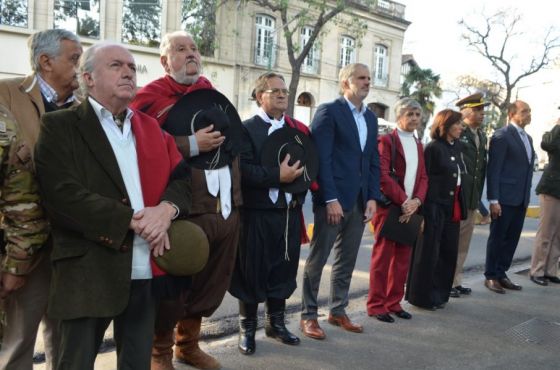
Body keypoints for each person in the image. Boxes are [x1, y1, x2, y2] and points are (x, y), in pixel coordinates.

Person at [34, 43, 191, 370]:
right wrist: (132, 221)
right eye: (116, 65)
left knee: (136, 364)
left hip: (146, 269)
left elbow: (183, 179)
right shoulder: (60, 126)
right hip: (88, 270)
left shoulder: (150, 128)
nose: (128, 73)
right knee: (74, 363)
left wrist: (166, 210)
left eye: (132, 68)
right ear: (88, 78)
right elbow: (62, 197)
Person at [130, 31, 241, 370]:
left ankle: (187, 345)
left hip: (223, 202)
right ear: (165, 61)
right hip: (182, 204)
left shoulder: (213, 93)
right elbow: (138, 146)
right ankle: (159, 352)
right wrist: (190, 143)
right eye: (181, 50)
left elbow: (236, 139)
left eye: (194, 48)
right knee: (175, 282)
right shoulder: (149, 98)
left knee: (211, 279)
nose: (191, 54)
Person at [0, 29, 82, 370]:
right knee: (18, 342)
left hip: (72, 248)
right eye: (74, 59)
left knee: (67, 341)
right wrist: (15, 258)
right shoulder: (5, 96)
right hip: (21, 248)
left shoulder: (84, 109)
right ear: (45, 61)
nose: (81, 66)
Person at [229, 72, 313, 354]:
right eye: (274, 91)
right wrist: (279, 175)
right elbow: (243, 171)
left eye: (284, 92)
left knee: (283, 269)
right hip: (256, 213)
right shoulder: (244, 129)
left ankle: (275, 324)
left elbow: (309, 168)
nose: (281, 95)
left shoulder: (296, 131)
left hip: (287, 213)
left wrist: (298, 192)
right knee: (251, 270)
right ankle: (247, 328)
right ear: (258, 96)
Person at [301, 63, 380, 339]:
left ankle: (338, 310)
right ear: (346, 83)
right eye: (362, 78)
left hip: (359, 201)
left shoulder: (370, 118)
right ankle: (309, 315)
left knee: (346, 260)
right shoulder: (329, 111)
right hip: (333, 200)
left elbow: (372, 160)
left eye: (369, 78)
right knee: (318, 258)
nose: (367, 82)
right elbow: (320, 159)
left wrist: (372, 198)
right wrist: (329, 198)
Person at [366, 98, 427, 322]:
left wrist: (417, 201)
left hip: (411, 209)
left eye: (417, 115)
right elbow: (382, 175)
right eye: (409, 114)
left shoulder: (419, 144)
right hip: (390, 208)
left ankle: (394, 302)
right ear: (399, 117)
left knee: (402, 259)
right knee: (382, 259)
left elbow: (423, 177)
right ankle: (376, 305)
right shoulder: (387, 141)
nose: (413, 118)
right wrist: (404, 201)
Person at [406, 109, 466, 310]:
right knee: (429, 253)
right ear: (446, 125)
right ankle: (422, 297)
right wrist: (421, 212)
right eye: (458, 123)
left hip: (452, 208)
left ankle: (439, 294)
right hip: (433, 208)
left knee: (447, 252)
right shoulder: (433, 148)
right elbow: (423, 180)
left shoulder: (457, 147)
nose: (461, 127)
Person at [484, 101, 534, 294]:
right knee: (498, 237)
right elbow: (494, 170)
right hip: (504, 199)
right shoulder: (502, 136)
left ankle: (501, 273)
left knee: (512, 238)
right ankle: (490, 276)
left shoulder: (527, 138)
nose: (529, 114)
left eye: (529, 111)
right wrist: (493, 200)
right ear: (512, 114)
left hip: (520, 198)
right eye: (525, 111)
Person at [451, 93, 489, 298]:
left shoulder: (481, 135)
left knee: (463, 244)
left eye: (482, 110)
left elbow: (480, 171)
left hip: (472, 198)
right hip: (457, 198)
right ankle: (445, 282)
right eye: (477, 110)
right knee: (451, 242)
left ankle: (456, 281)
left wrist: (480, 205)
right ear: (465, 111)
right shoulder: (458, 132)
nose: (482, 114)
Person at [529, 111, 560, 286]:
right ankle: (537, 270)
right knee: (546, 232)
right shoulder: (553, 135)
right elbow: (547, 144)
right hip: (552, 188)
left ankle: (550, 270)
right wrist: (558, 125)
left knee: (558, 235)